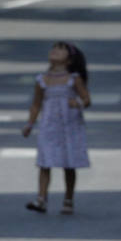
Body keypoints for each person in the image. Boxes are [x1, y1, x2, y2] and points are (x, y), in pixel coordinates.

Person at [21, 42, 91, 214]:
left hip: (69, 127)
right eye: (54, 48)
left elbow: (86, 99)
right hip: (49, 126)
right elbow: (36, 104)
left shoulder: (74, 78)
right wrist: (29, 124)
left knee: (69, 164)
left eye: (61, 49)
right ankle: (41, 199)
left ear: (69, 60)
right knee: (44, 162)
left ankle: (68, 199)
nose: (55, 51)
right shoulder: (42, 80)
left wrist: (78, 103)